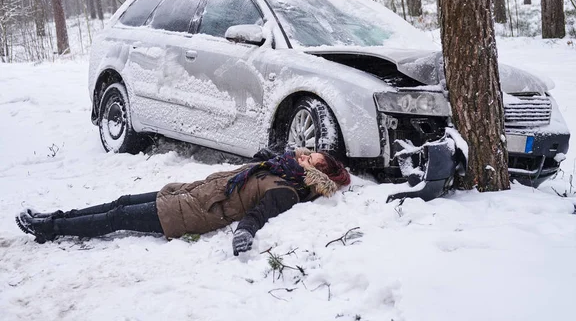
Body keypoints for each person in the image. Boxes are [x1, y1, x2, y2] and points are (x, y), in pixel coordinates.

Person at [16, 148, 350, 255]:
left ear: (314, 175)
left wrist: (244, 233)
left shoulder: (286, 191)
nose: (301, 153)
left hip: (189, 213)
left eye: (309, 157)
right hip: (187, 193)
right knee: (120, 201)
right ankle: (53, 218)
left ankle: (51, 228)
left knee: (118, 216)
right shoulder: (279, 167)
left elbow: (259, 215)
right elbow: (259, 159)